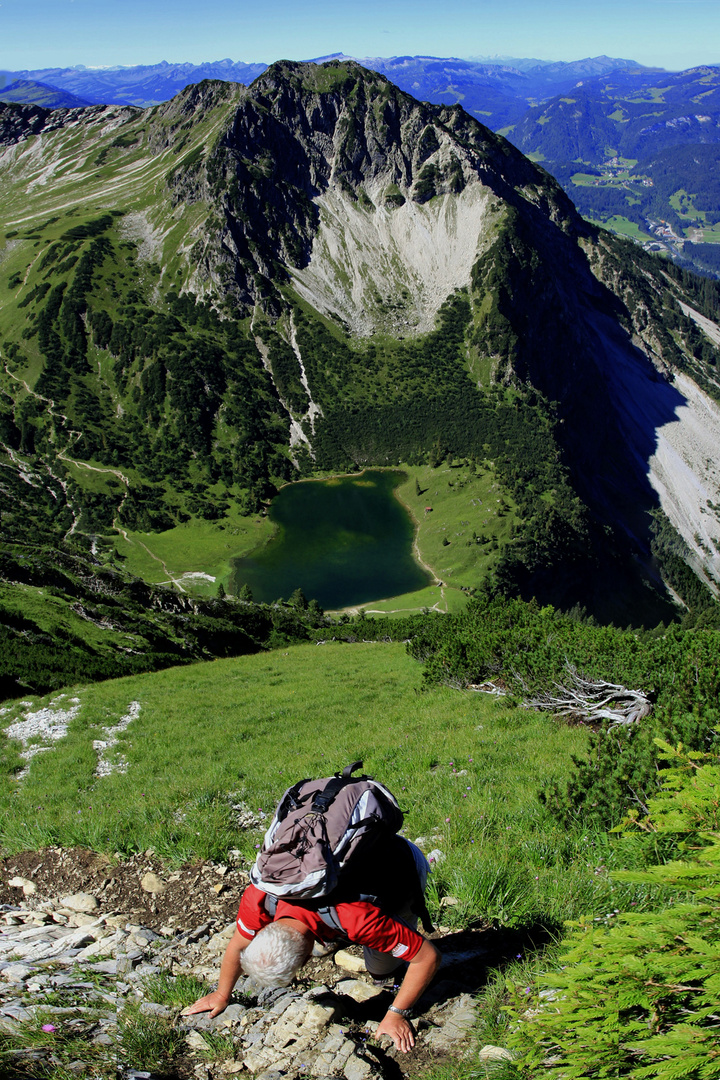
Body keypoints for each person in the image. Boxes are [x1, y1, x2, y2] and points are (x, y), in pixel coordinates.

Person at [187, 839, 440, 1054]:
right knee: (348, 932)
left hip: (400, 865)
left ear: (306, 958)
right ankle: (332, 937)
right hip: (338, 901)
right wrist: (222, 994)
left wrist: (395, 1013)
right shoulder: (262, 896)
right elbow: (237, 946)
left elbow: (428, 958)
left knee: (383, 972)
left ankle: (368, 942)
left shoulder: (358, 919)